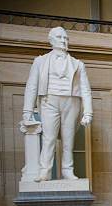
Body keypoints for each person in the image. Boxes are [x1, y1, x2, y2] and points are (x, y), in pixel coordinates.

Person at [22, 26, 93, 182]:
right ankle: (44, 171)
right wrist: (27, 111)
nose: (64, 40)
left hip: (71, 101)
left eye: (66, 38)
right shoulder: (40, 61)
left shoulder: (78, 64)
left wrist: (88, 112)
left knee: (69, 139)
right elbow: (32, 86)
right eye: (60, 37)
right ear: (51, 40)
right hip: (49, 101)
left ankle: (68, 170)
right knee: (49, 138)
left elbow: (85, 89)